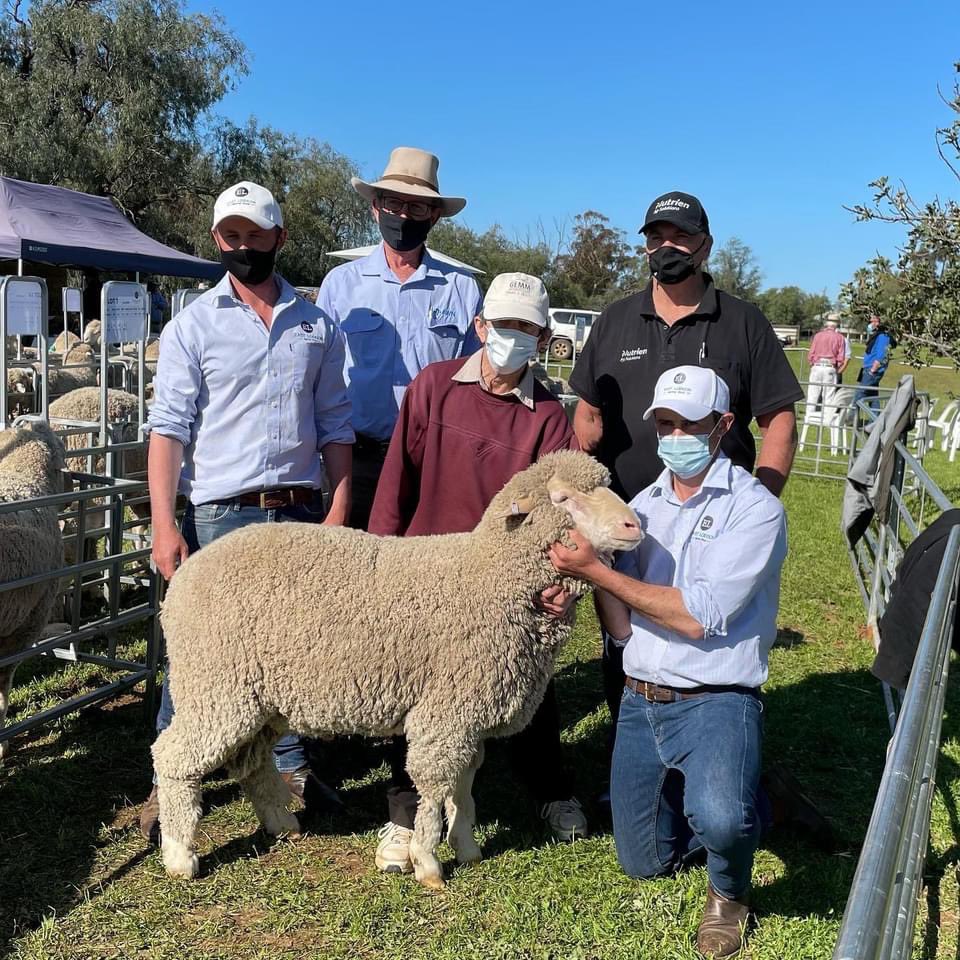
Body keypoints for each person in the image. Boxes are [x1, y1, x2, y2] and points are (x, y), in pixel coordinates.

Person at [139, 180, 355, 842]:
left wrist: (339, 511)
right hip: (223, 513)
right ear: (216, 240)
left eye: (255, 235)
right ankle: (168, 779)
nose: (243, 246)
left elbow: (336, 425)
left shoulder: (318, 325)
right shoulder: (194, 326)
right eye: (231, 236)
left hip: (298, 510)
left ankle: (288, 769)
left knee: (297, 648)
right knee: (207, 650)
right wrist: (165, 523)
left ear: (279, 238)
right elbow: (169, 430)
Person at [549, 366, 787, 959]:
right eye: (664, 422)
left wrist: (597, 570)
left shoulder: (754, 509)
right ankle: (731, 792)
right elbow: (621, 626)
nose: (674, 434)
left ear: (723, 425)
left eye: (690, 423)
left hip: (717, 697)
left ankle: (729, 890)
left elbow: (696, 616)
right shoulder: (642, 507)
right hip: (640, 698)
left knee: (724, 823)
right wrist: (593, 568)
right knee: (642, 863)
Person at [567, 191, 802, 760]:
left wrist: (759, 502)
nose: (666, 247)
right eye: (656, 236)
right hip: (632, 514)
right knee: (623, 636)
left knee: (712, 632)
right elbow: (587, 417)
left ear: (703, 245)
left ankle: (715, 755)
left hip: (716, 513)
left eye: (679, 236)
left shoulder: (742, 323)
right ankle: (633, 763)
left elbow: (778, 420)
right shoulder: (616, 320)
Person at [367, 272, 588, 874]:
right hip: (422, 572)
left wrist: (560, 585)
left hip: (500, 579)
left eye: (526, 328)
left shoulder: (547, 419)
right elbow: (395, 482)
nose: (511, 338)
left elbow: (559, 507)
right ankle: (403, 813)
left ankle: (550, 789)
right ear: (480, 325)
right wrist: (377, 560)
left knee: (526, 678)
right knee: (411, 690)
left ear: (541, 337)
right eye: (502, 324)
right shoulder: (433, 388)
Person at [316, 146, 482, 529]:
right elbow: (317, 377)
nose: (404, 215)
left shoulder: (461, 289)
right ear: (376, 207)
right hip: (356, 461)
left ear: (435, 216)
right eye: (393, 203)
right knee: (353, 575)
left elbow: (476, 381)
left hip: (432, 463)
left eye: (418, 207)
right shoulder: (341, 285)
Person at [853, 314, 892, 414]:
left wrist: (873, 370)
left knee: (859, 393)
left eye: (875, 321)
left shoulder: (883, 336)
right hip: (868, 368)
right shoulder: (877, 335)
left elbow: (881, 354)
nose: (871, 323)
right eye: (871, 321)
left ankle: (851, 417)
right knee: (873, 397)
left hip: (872, 369)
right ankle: (875, 421)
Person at [805, 319, 845, 414]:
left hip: (817, 365)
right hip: (830, 366)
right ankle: (827, 416)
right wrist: (837, 367)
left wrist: (811, 362)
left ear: (826, 325)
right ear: (835, 327)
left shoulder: (818, 336)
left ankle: (809, 415)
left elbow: (811, 352)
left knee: (813, 393)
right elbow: (841, 356)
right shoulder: (840, 337)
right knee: (829, 395)